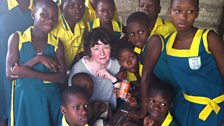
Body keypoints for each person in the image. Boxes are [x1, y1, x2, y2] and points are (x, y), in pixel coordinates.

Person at [6, 0, 66, 126]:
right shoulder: (17, 38)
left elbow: (61, 78)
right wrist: (39, 59)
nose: (50, 20)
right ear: (33, 13)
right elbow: (10, 74)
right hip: (24, 100)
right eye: (44, 14)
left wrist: (29, 72)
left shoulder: (56, 44)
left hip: (49, 100)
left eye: (54, 17)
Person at [165, 0, 224, 125]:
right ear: (170, 11)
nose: (183, 17)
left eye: (190, 11)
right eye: (178, 11)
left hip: (214, 110)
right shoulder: (168, 42)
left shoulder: (208, 39)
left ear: (197, 13)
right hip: (186, 107)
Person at [126, 12, 179, 119]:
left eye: (141, 32)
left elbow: (145, 78)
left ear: (150, 28)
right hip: (170, 91)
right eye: (132, 34)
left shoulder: (154, 40)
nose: (136, 37)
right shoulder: (143, 51)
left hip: (180, 89)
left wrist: (143, 111)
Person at [68, 27, 120, 110]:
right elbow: (72, 100)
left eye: (106, 47)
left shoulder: (116, 64)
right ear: (89, 50)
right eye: (96, 49)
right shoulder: (79, 69)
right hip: (88, 114)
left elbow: (123, 95)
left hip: (110, 112)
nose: (102, 53)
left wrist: (112, 78)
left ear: (111, 48)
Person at [0, 0, 33, 124]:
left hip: (25, 71)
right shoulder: (3, 5)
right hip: (2, 66)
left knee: (17, 113)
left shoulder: (40, 6)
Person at [51, 0, 87, 70]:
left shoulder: (82, 26)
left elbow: (80, 52)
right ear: (61, 8)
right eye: (71, 6)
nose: (77, 10)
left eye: (81, 6)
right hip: (53, 71)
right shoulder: (54, 28)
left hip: (68, 69)